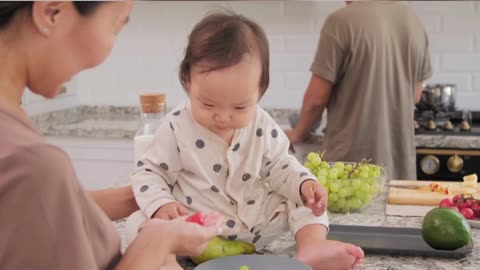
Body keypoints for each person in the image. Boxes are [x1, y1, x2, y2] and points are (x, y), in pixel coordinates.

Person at [125, 11, 364, 270]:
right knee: (139, 223)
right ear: (187, 82)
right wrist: (163, 205)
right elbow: (148, 173)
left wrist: (304, 184)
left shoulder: (261, 122)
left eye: (239, 107)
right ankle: (167, 263)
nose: (223, 117)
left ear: (260, 90)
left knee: (301, 195)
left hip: (259, 226)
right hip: (197, 233)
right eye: (208, 104)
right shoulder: (175, 126)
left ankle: (311, 246)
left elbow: (281, 166)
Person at [0, 2, 224, 270]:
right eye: (116, 25)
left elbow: (39, 211)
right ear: (52, 12)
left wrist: (145, 196)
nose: (108, 50)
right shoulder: (30, 160)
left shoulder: (15, 132)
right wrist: (158, 242)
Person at [286, 1, 432, 180]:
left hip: (350, 169)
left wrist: (298, 133)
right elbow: (416, 94)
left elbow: (316, 99)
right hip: (399, 169)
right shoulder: (414, 22)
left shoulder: (340, 22)